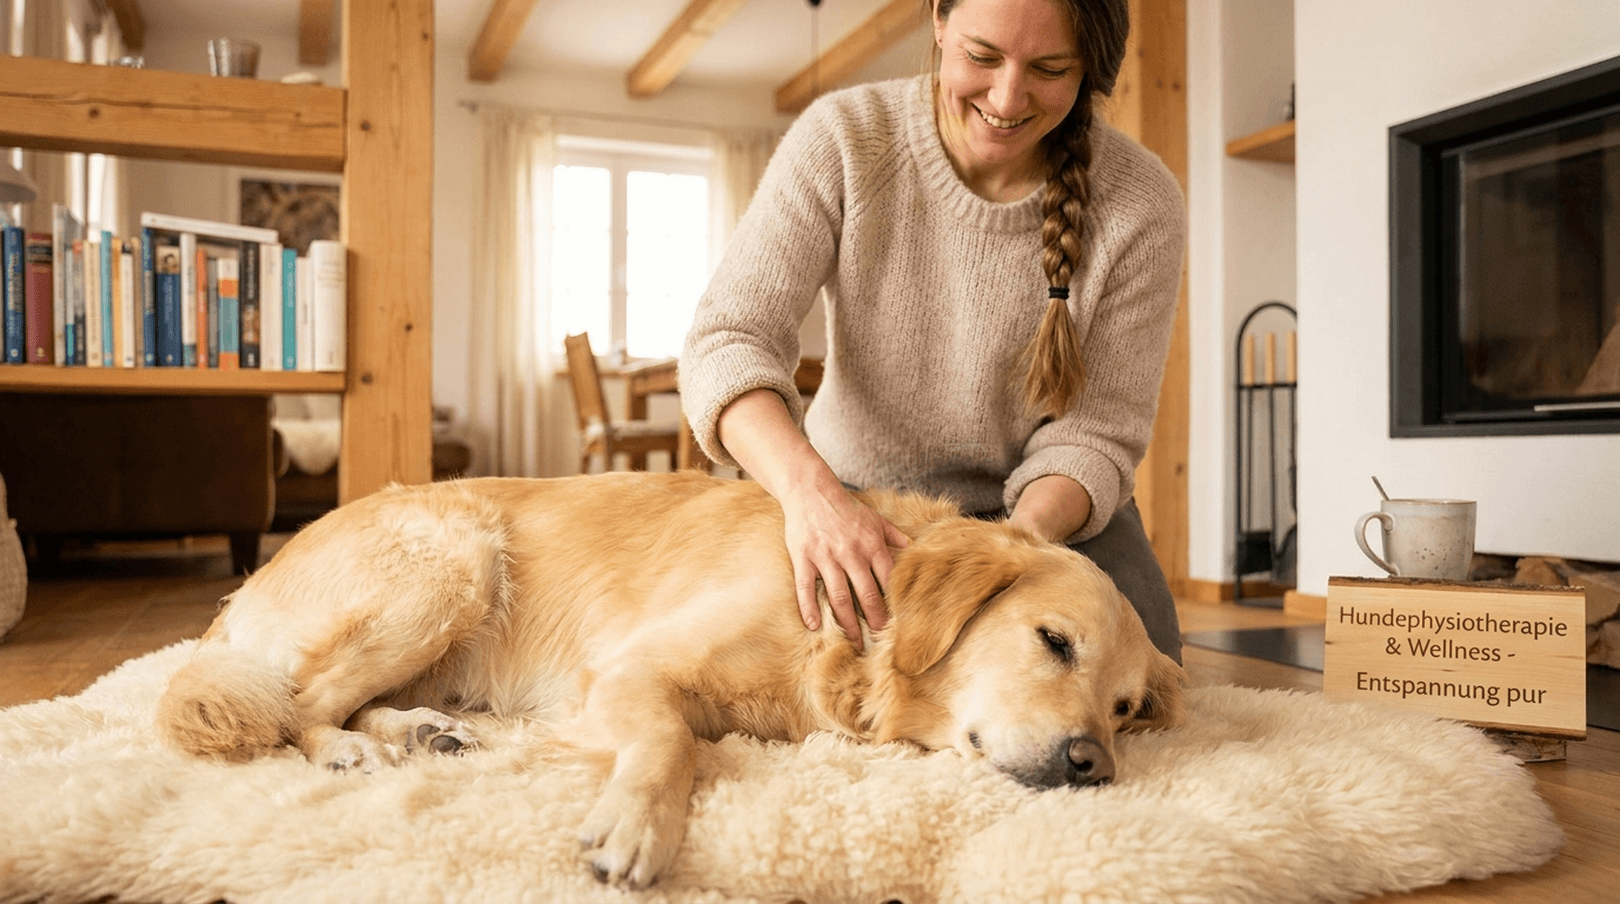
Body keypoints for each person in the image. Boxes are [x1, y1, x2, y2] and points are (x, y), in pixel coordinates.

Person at [679, 0, 1186, 662]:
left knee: (1142, 681)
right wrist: (813, 499)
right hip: (854, 502)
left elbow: (1096, 433)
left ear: (1091, 64)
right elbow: (727, 341)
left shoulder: (1142, 204)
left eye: (1051, 67)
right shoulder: (842, 137)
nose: (1007, 98)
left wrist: (1007, 553)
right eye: (982, 57)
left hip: (1045, 520)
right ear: (940, 21)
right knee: (811, 678)